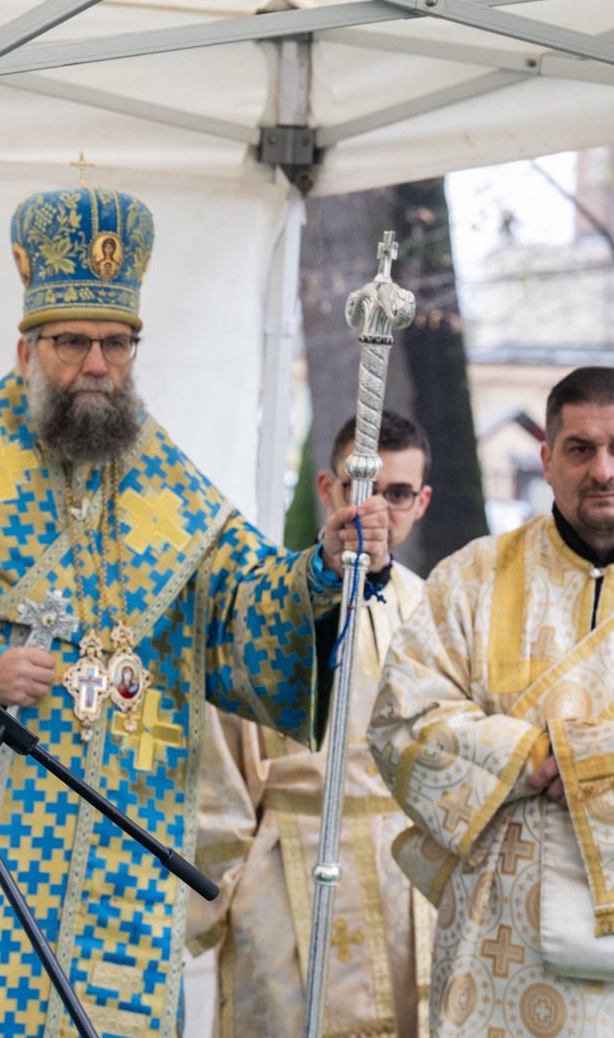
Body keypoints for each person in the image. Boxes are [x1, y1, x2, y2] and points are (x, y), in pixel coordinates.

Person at [0, 182, 389, 1036]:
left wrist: (320, 568)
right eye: (72, 342)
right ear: (26, 348)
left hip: (127, 856)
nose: (96, 364)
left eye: (117, 343)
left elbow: (245, 603)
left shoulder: (170, 487)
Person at [368, 366, 614, 1036]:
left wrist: (594, 758)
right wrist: (530, 756)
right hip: (502, 952)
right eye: (580, 449)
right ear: (548, 460)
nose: (603, 470)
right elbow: (402, 721)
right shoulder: (472, 578)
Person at [193, 410, 436, 1038]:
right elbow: (221, 770)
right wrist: (219, 897)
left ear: (422, 503)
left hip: (406, 882)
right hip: (287, 882)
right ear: (328, 489)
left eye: (398, 494)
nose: (378, 510)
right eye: (363, 489)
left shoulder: (437, 613)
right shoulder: (273, 606)